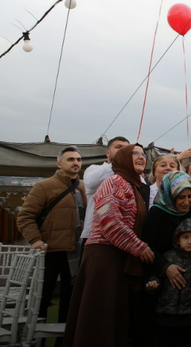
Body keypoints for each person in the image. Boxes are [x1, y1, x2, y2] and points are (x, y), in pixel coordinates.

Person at [64, 144, 155, 347]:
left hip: (120, 257)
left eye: (143, 154)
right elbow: (109, 221)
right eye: (135, 153)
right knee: (99, 319)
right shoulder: (114, 182)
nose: (141, 157)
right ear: (122, 158)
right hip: (105, 258)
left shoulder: (135, 186)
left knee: (113, 319)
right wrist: (139, 247)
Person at [16, 146, 87, 339]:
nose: (75, 163)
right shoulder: (44, 187)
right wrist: (36, 240)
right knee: (42, 298)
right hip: (50, 252)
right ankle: (33, 339)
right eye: (70, 159)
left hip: (75, 252)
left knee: (69, 300)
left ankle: (63, 340)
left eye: (78, 160)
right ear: (59, 163)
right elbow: (25, 217)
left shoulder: (81, 188)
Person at [146, 218, 191, 347]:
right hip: (165, 315)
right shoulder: (168, 256)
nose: (190, 241)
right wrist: (153, 284)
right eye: (185, 237)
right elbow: (157, 276)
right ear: (178, 239)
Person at [82, 136, 129, 246]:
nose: (123, 151)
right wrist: (120, 163)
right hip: (96, 237)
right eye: (118, 147)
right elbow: (90, 183)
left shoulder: (135, 176)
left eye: (126, 149)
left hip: (126, 238)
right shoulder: (94, 169)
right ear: (107, 153)